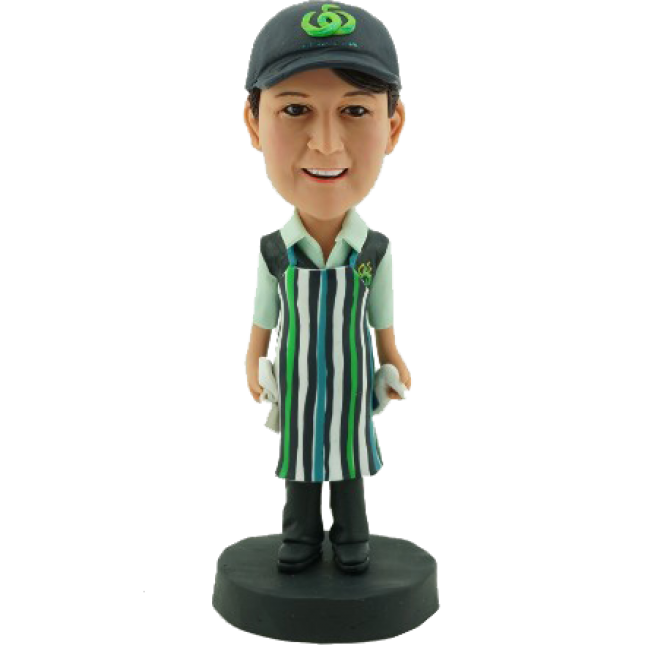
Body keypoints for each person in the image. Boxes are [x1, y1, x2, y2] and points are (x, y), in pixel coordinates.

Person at [242, 1, 411, 574]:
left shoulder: (373, 251)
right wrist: (253, 358)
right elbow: (263, 316)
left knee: (349, 458)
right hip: (296, 382)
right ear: (254, 125)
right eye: (295, 109)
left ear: (392, 127)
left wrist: (390, 355)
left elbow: (382, 320)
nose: (326, 144)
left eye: (355, 110)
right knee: (298, 459)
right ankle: (301, 534)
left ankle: (352, 533)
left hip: (350, 383)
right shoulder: (275, 252)